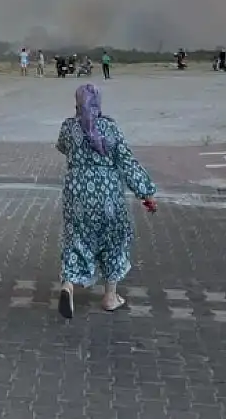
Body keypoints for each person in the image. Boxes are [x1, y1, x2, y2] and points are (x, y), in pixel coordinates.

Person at [54, 83, 157, 318]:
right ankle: (110, 296)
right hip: (108, 193)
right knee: (114, 239)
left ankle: (68, 285)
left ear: (77, 103)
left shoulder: (68, 127)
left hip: (77, 193)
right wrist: (146, 193)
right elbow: (127, 163)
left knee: (76, 238)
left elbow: (62, 147)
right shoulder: (110, 128)